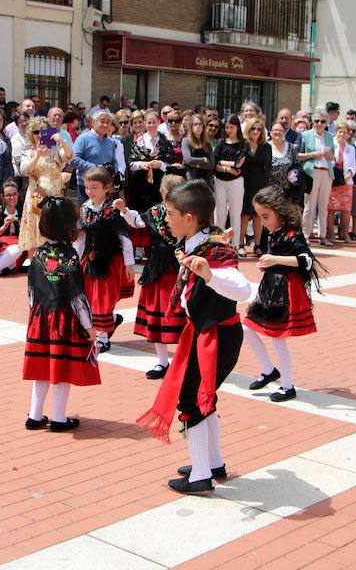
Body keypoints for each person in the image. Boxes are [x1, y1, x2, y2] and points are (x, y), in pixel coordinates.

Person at [137, 180, 251, 495]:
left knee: (193, 399)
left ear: (188, 218)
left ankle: (202, 475)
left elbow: (243, 288)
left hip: (217, 336)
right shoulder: (200, 241)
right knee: (203, 397)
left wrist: (211, 274)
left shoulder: (214, 249)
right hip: (205, 333)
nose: (165, 219)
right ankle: (212, 463)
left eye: (170, 213)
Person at [22, 196, 97, 432]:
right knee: (62, 368)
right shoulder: (70, 256)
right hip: (63, 320)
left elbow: (31, 291)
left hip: (40, 318)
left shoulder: (37, 255)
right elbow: (77, 296)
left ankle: (35, 416)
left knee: (42, 366)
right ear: (68, 226)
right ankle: (58, 418)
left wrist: (35, 316)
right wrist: (89, 327)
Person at [243, 185, 322, 402]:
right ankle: (269, 370)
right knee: (247, 328)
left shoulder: (292, 234)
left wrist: (274, 260)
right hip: (270, 288)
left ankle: (287, 385)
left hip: (286, 291)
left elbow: (306, 261)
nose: (264, 221)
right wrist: (267, 264)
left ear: (279, 210)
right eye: (260, 216)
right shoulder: (274, 233)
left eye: (266, 216)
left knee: (278, 339)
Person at [114, 174, 188, 380]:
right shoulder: (155, 211)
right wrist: (124, 210)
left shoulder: (188, 213)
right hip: (158, 268)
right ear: (162, 193)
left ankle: (183, 361)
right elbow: (138, 222)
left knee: (183, 314)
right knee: (158, 314)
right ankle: (162, 362)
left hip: (181, 268)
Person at [75, 167, 135, 354]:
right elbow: (80, 238)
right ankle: (111, 320)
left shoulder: (113, 209)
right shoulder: (85, 208)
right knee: (90, 297)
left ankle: (102, 337)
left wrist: (129, 262)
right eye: (87, 188)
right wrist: (75, 261)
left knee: (103, 300)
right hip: (90, 259)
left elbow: (124, 236)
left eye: (94, 188)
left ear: (106, 187)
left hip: (110, 260)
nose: (89, 192)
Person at [19, 117, 73, 257]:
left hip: (54, 197)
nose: (40, 135)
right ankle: (34, 266)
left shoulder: (55, 150)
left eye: (43, 131)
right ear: (31, 133)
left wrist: (62, 141)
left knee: (55, 231)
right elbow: (24, 170)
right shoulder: (28, 151)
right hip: (36, 197)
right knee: (35, 232)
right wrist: (37, 155)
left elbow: (68, 156)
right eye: (36, 131)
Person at [298, 110, 336, 246]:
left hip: (326, 172)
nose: (319, 124)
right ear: (313, 122)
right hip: (311, 171)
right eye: (317, 121)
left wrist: (330, 155)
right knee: (310, 205)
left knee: (323, 206)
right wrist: (312, 154)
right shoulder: (305, 135)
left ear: (326, 123)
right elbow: (298, 155)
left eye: (323, 121)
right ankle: (305, 235)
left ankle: (323, 235)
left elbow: (334, 158)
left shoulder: (330, 136)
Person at [128, 110, 175, 212]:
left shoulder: (165, 142)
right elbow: (130, 163)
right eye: (149, 122)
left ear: (159, 122)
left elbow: (171, 165)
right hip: (140, 183)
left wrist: (160, 164)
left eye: (154, 122)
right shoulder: (139, 141)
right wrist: (141, 164)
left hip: (160, 183)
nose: (151, 125)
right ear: (145, 123)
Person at [213, 114, 246, 249]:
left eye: (231, 127)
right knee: (219, 213)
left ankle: (235, 245)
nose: (229, 130)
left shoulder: (243, 144)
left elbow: (239, 164)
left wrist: (223, 164)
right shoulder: (221, 143)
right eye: (226, 127)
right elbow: (214, 163)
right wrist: (227, 168)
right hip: (220, 181)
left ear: (237, 127)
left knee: (235, 213)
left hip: (236, 182)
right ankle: (218, 243)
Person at [71, 110, 117, 204]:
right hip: (86, 186)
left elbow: (114, 162)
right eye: (102, 121)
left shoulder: (111, 142)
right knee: (85, 217)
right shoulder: (83, 139)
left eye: (108, 122)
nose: (105, 124)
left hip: (104, 187)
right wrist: (95, 168)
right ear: (93, 122)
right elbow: (73, 160)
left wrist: (112, 171)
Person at [241, 117, 272, 255]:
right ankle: (241, 244)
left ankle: (257, 245)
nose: (256, 131)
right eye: (253, 128)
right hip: (244, 184)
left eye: (259, 129)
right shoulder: (243, 145)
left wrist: (266, 188)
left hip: (260, 184)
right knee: (245, 215)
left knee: (258, 216)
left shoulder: (266, 147)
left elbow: (268, 168)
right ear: (248, 129)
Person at [327, 121, 355, 244]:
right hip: (333, 180)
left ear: (348, 134)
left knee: (346, 210)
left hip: (347, 181)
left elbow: (353, 166)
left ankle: (345, 234)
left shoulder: (351, 148)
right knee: (331, 209)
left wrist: (347, 176)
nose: (342, 134)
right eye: (340, 131)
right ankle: (331, 234)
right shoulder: (331, 145)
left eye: (345, 132)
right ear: (336, 132)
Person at [181, 113, 214, 184]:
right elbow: (188, 160)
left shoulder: (207, 143)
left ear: (203, 126)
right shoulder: (186, 141)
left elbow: (212, 164)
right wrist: (204, 160)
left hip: (206, 181)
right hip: (191, 181)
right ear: (191, 126)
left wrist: (196, 165)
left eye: (200, 124)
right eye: (195, 124)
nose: (198, 126)